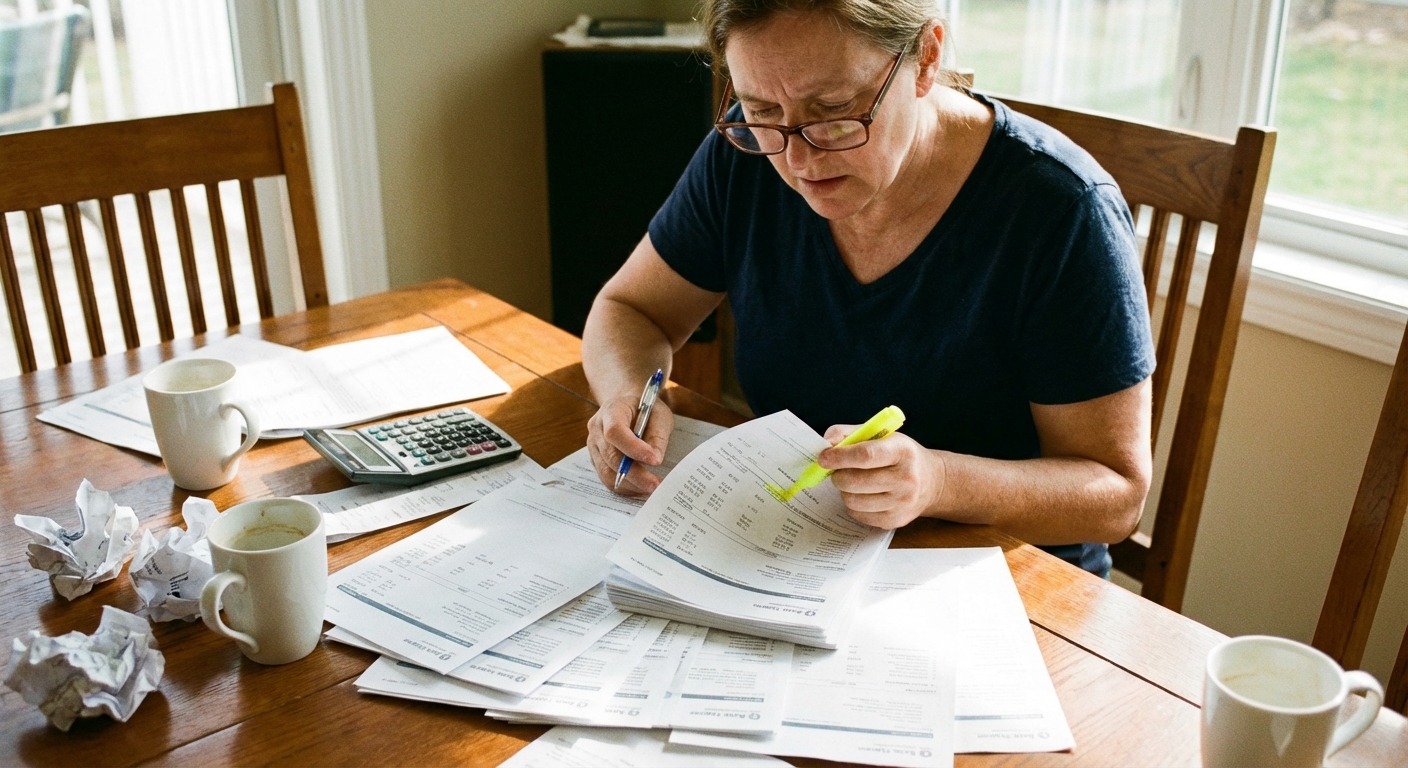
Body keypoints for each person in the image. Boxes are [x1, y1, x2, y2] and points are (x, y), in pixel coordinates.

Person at [580, 0, 1155, 578]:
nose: (800, 160)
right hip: (798, 557)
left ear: (925, 58)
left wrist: (938, 482)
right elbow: (631, 309)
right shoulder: (751, 158)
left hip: (1006, 583)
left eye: (833, 110)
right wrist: (628, 393)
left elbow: (1116, 495)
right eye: (759, 110)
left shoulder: (1061, 212)